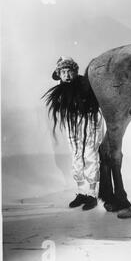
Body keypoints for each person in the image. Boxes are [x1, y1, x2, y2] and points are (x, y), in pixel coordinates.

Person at [43, 56, 104, 210]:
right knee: (76, 156)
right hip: (73, 125)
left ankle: (92, 195)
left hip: (88, 122)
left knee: (90, 155)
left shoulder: (85, 84)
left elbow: (96, 103)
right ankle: (81, 192)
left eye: (69, 71)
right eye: (63, 72)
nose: (67, 75)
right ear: (59, 74)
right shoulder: (62, 88)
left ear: (75, 71)